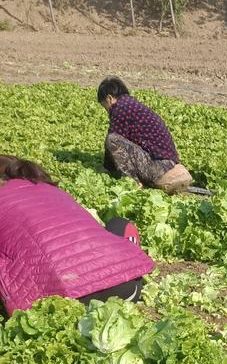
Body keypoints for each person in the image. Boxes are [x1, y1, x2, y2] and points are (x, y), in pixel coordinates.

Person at [0, 155, 154, 316]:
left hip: (53, 310)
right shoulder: (53, 190)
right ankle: (129, 265)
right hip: (124, 291)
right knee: (120, 225)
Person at [97, 77, 192, 194]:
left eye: (103, 105)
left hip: (159, 167)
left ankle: (133, 185)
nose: (106, 109)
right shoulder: (131, 104)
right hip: (168, 163)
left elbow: (114, 140)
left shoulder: (119, 108)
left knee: (112, 139)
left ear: (109, 98)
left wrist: (106, 169)